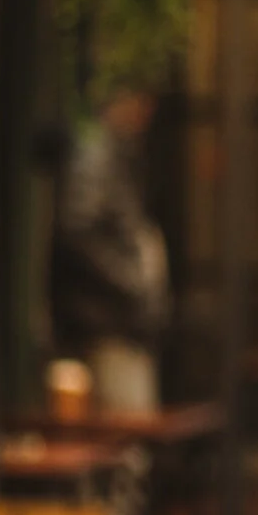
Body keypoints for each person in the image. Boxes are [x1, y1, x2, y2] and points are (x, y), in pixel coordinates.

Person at [49, 87, 169, 412]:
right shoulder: (97, 155)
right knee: (125, 436)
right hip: (106, 325)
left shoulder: (119, 154)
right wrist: (132, 283)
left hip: (119, 325)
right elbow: (77, 228)